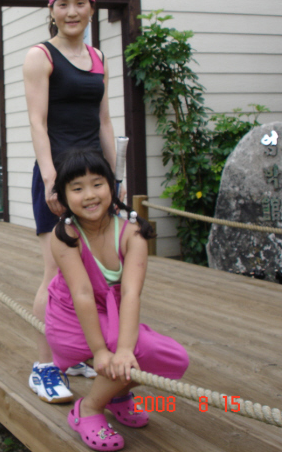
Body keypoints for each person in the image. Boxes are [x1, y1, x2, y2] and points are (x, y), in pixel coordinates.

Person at [45, 147, 189, 451]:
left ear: (113, 187)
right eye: (77, 188)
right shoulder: (65, 235)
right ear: (63, 197)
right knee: (133, 351)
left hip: (112, 314)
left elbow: (132, 293)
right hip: (71, 318)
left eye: (97, 184)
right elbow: (82, 294)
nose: (89, 195)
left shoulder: (132, 233)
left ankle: (117, 394)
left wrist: (123, 349)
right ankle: (89, 408)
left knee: (169, 358)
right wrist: (100, 351)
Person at [24, 0, 119, 403]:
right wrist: (50, 179)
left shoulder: (98, 58)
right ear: (52, 10)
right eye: (63, 4)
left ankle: (73, 352)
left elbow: (104, 123)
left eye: (80, 2)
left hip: (94, 181)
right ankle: (44, 366)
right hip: (59, 178)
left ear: (91, 8)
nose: (72, 11)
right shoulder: (40, 56)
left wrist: (114, 180)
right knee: (56, 273)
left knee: (93, 273)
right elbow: (37, 122)